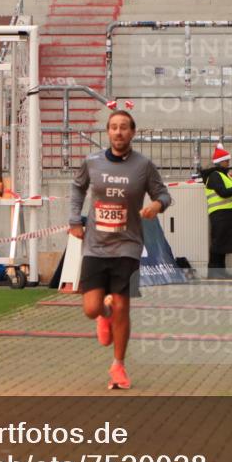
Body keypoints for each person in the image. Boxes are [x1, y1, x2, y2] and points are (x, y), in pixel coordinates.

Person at [69, 109, 171, 390]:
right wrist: (74, 220)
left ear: (133, 132)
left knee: (123, 305)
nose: (118, 132)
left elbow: (163, 194)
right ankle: (103, 314)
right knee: (90, 308)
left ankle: (118, 366)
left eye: (124, 127)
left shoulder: (143, 166)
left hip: (128, 245)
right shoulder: (92, 162)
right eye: (113, 127)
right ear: (107, 132)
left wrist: (156, 205)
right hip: (95, 245)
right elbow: (78, 189)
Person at [200, 144, 232, 279]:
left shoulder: (225, 175)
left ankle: (220, 271)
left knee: (223, 244)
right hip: (220, 214)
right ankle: (214, 272)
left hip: (227, 213)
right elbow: (223, 193)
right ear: (220, 162)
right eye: (226, 161)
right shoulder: (215, 176)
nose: (229, 163)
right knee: (218, 243)